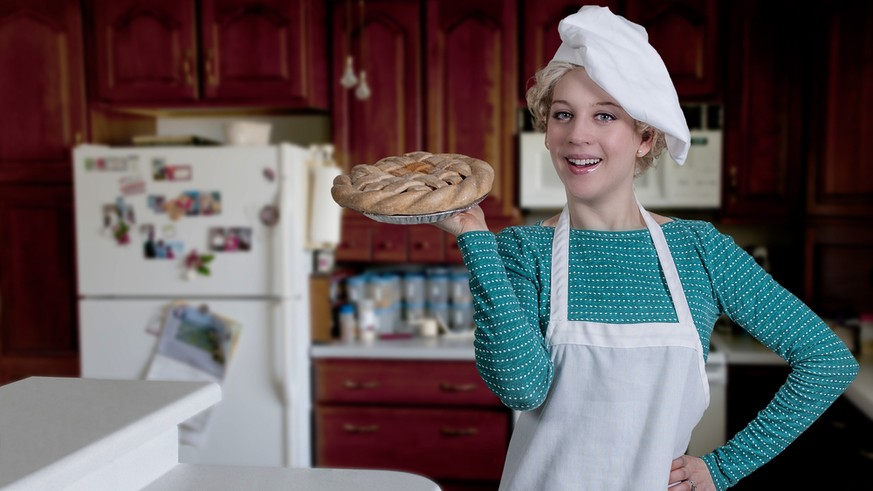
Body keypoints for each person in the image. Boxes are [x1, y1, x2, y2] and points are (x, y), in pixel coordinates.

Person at [434, 6, 859, 491]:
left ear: (645, 137)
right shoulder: (521, 250)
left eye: (605, 115)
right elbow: (521, 388)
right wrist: (475, 238)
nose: (578, 134)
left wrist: (722, 469)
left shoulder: (699, 250)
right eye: (563, 114)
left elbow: (828, 360)